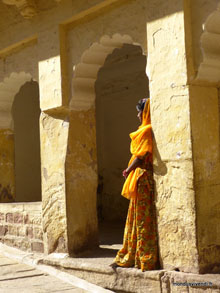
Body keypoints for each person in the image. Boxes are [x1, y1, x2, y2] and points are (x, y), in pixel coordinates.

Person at [111, 98, 158, 271]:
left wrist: (127, 170)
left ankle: (142, 255)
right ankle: (137, 252)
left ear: (145, 112)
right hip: (141, 179)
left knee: (141, 217)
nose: (138, 115)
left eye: (140, 111)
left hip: (142, 178)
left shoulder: (146, 131)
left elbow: (140, 156)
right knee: (138, 216)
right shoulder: (145, 130)